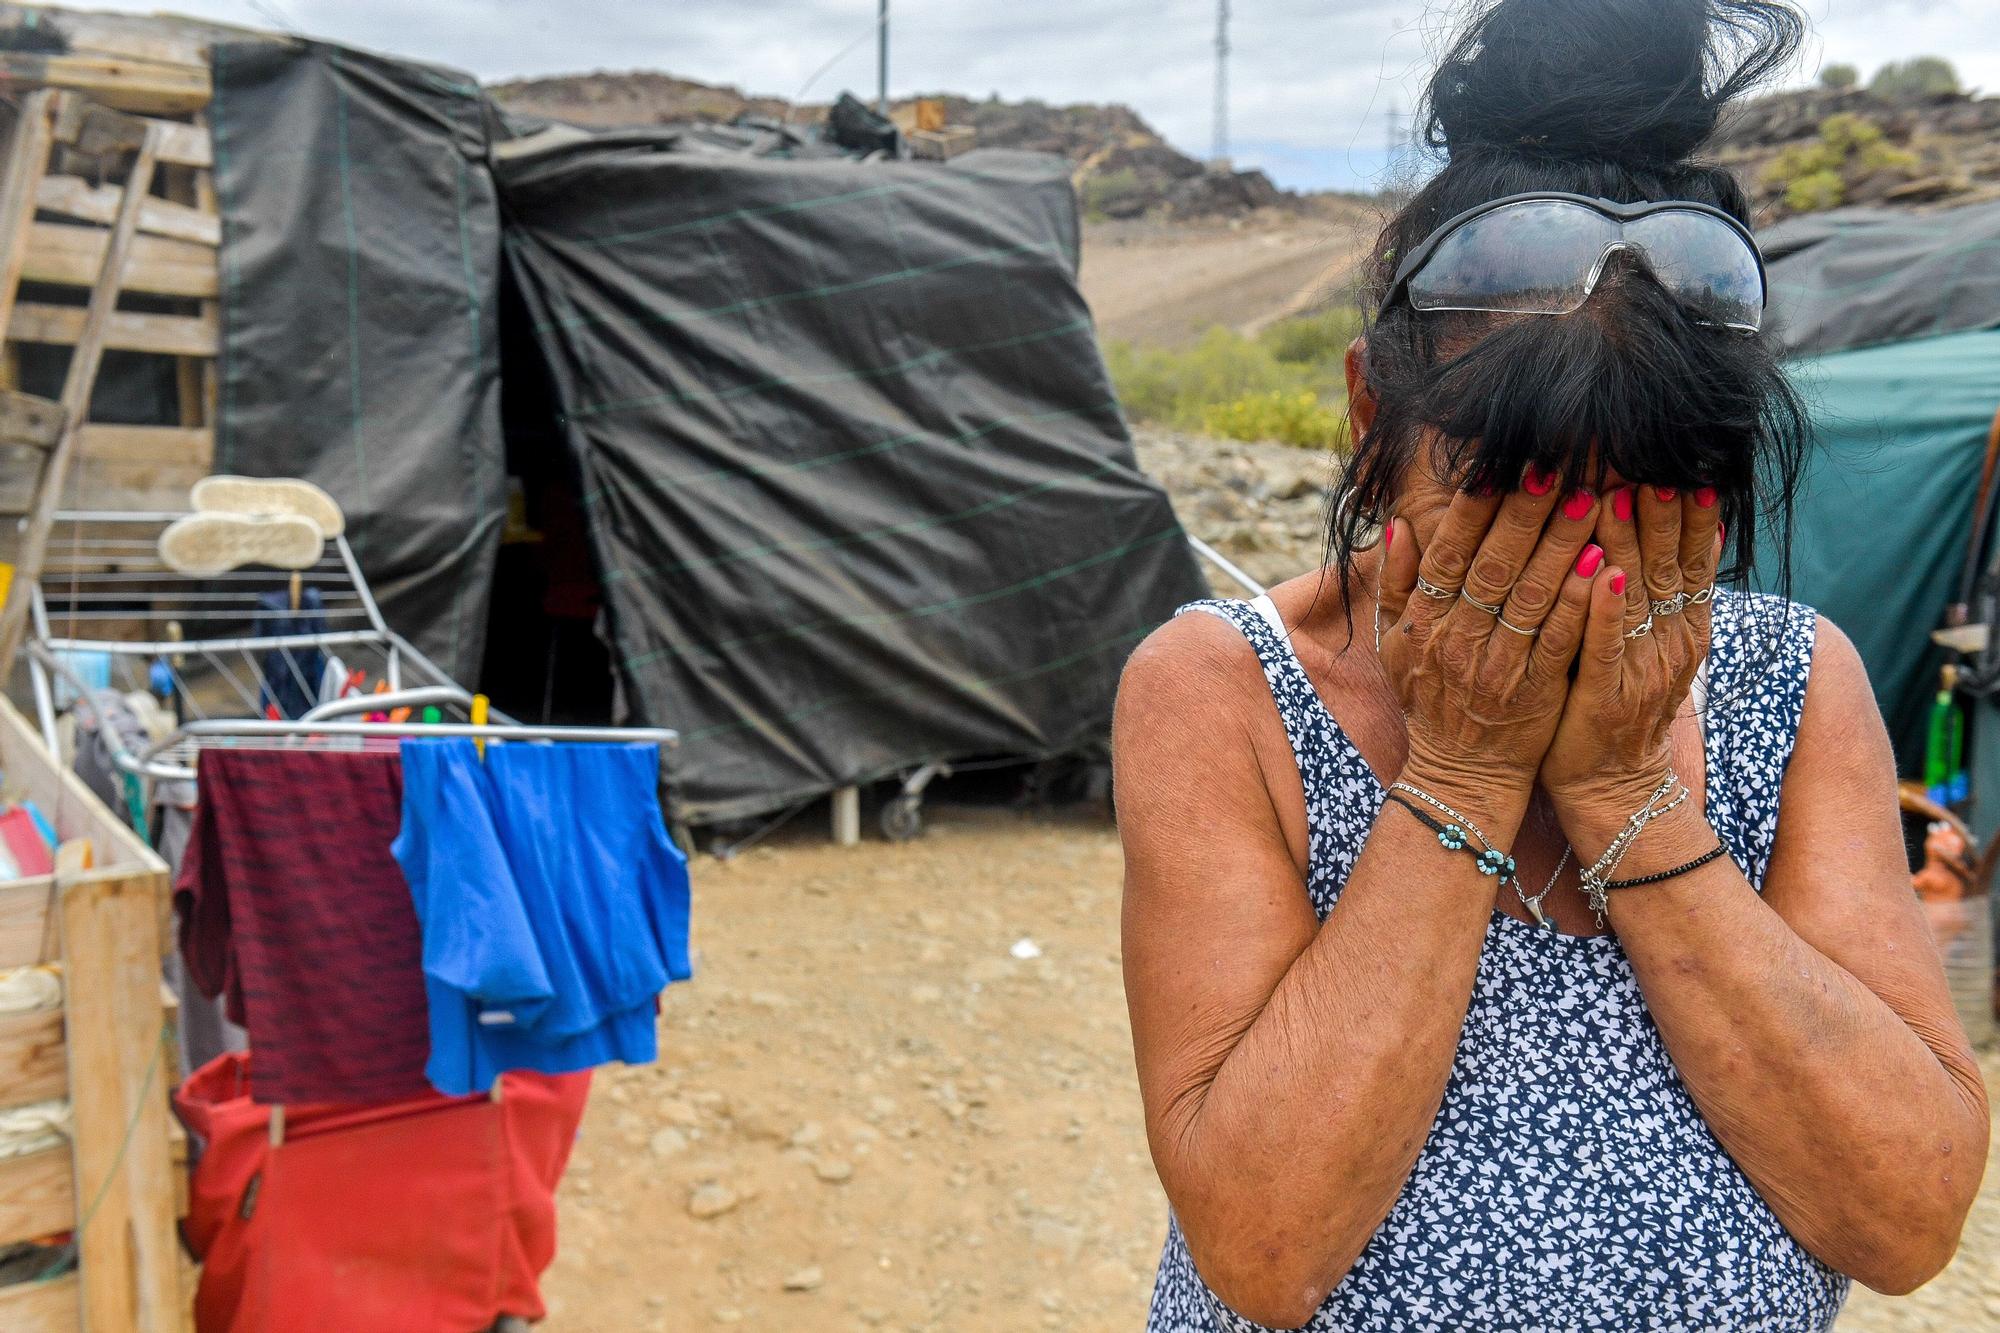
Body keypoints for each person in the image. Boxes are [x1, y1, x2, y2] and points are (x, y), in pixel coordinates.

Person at [1113, 1, 1991, 1329]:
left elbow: (1905, 1214)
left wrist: (1629, 797)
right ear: (1368, 414)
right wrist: (1465, 769)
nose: (1574, 559)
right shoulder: (1220, 690)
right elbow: (1266, 1241)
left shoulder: (1793, 683)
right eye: (1511, 503)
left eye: (1642, 499)